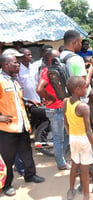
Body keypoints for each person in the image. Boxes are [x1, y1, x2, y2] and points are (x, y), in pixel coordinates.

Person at [0, 53, 45, 197]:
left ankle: (30, 175)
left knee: (27, 153)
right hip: (7, 129)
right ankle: (7, 185)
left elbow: (14, 98)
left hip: (22, 125)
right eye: (15, 62)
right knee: (8, 158)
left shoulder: (14, 80)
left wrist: (28, 101)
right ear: (6, 65)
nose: (18, 64)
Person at [63, 76, 93, 200]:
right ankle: (86, 196)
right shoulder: (83, 107)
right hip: (84, 139)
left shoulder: (65, 102)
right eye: (85, 87)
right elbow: (89, 130)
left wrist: (70, 133)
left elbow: (66, 122)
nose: (86, 90)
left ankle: (71, 191)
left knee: (74, 165)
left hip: (73, 137)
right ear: (77, 89)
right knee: (84, 168)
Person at [36, 49, 71, 170]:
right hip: (56, 109)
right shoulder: (47, 71)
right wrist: (50, 98)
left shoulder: (55, 70)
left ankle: (62, 158)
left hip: (61, 107)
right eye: (57, 57)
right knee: (59, 137)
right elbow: (40, 89)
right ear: (50, 59)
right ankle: (61, 163)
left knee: (66, 135)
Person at [75, 87, 93, 200]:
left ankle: (82, 186)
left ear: (88, 97)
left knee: (83, 166)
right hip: (91, 144)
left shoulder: (81, 108)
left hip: (80, 141)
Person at [60, 30, 93, 103]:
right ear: (74, 42)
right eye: (80, 42)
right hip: (81, 102)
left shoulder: (60, 56)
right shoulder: (76, 59)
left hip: (68, 100)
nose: (81, 45)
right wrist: (90, 73)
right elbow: (84, 85)